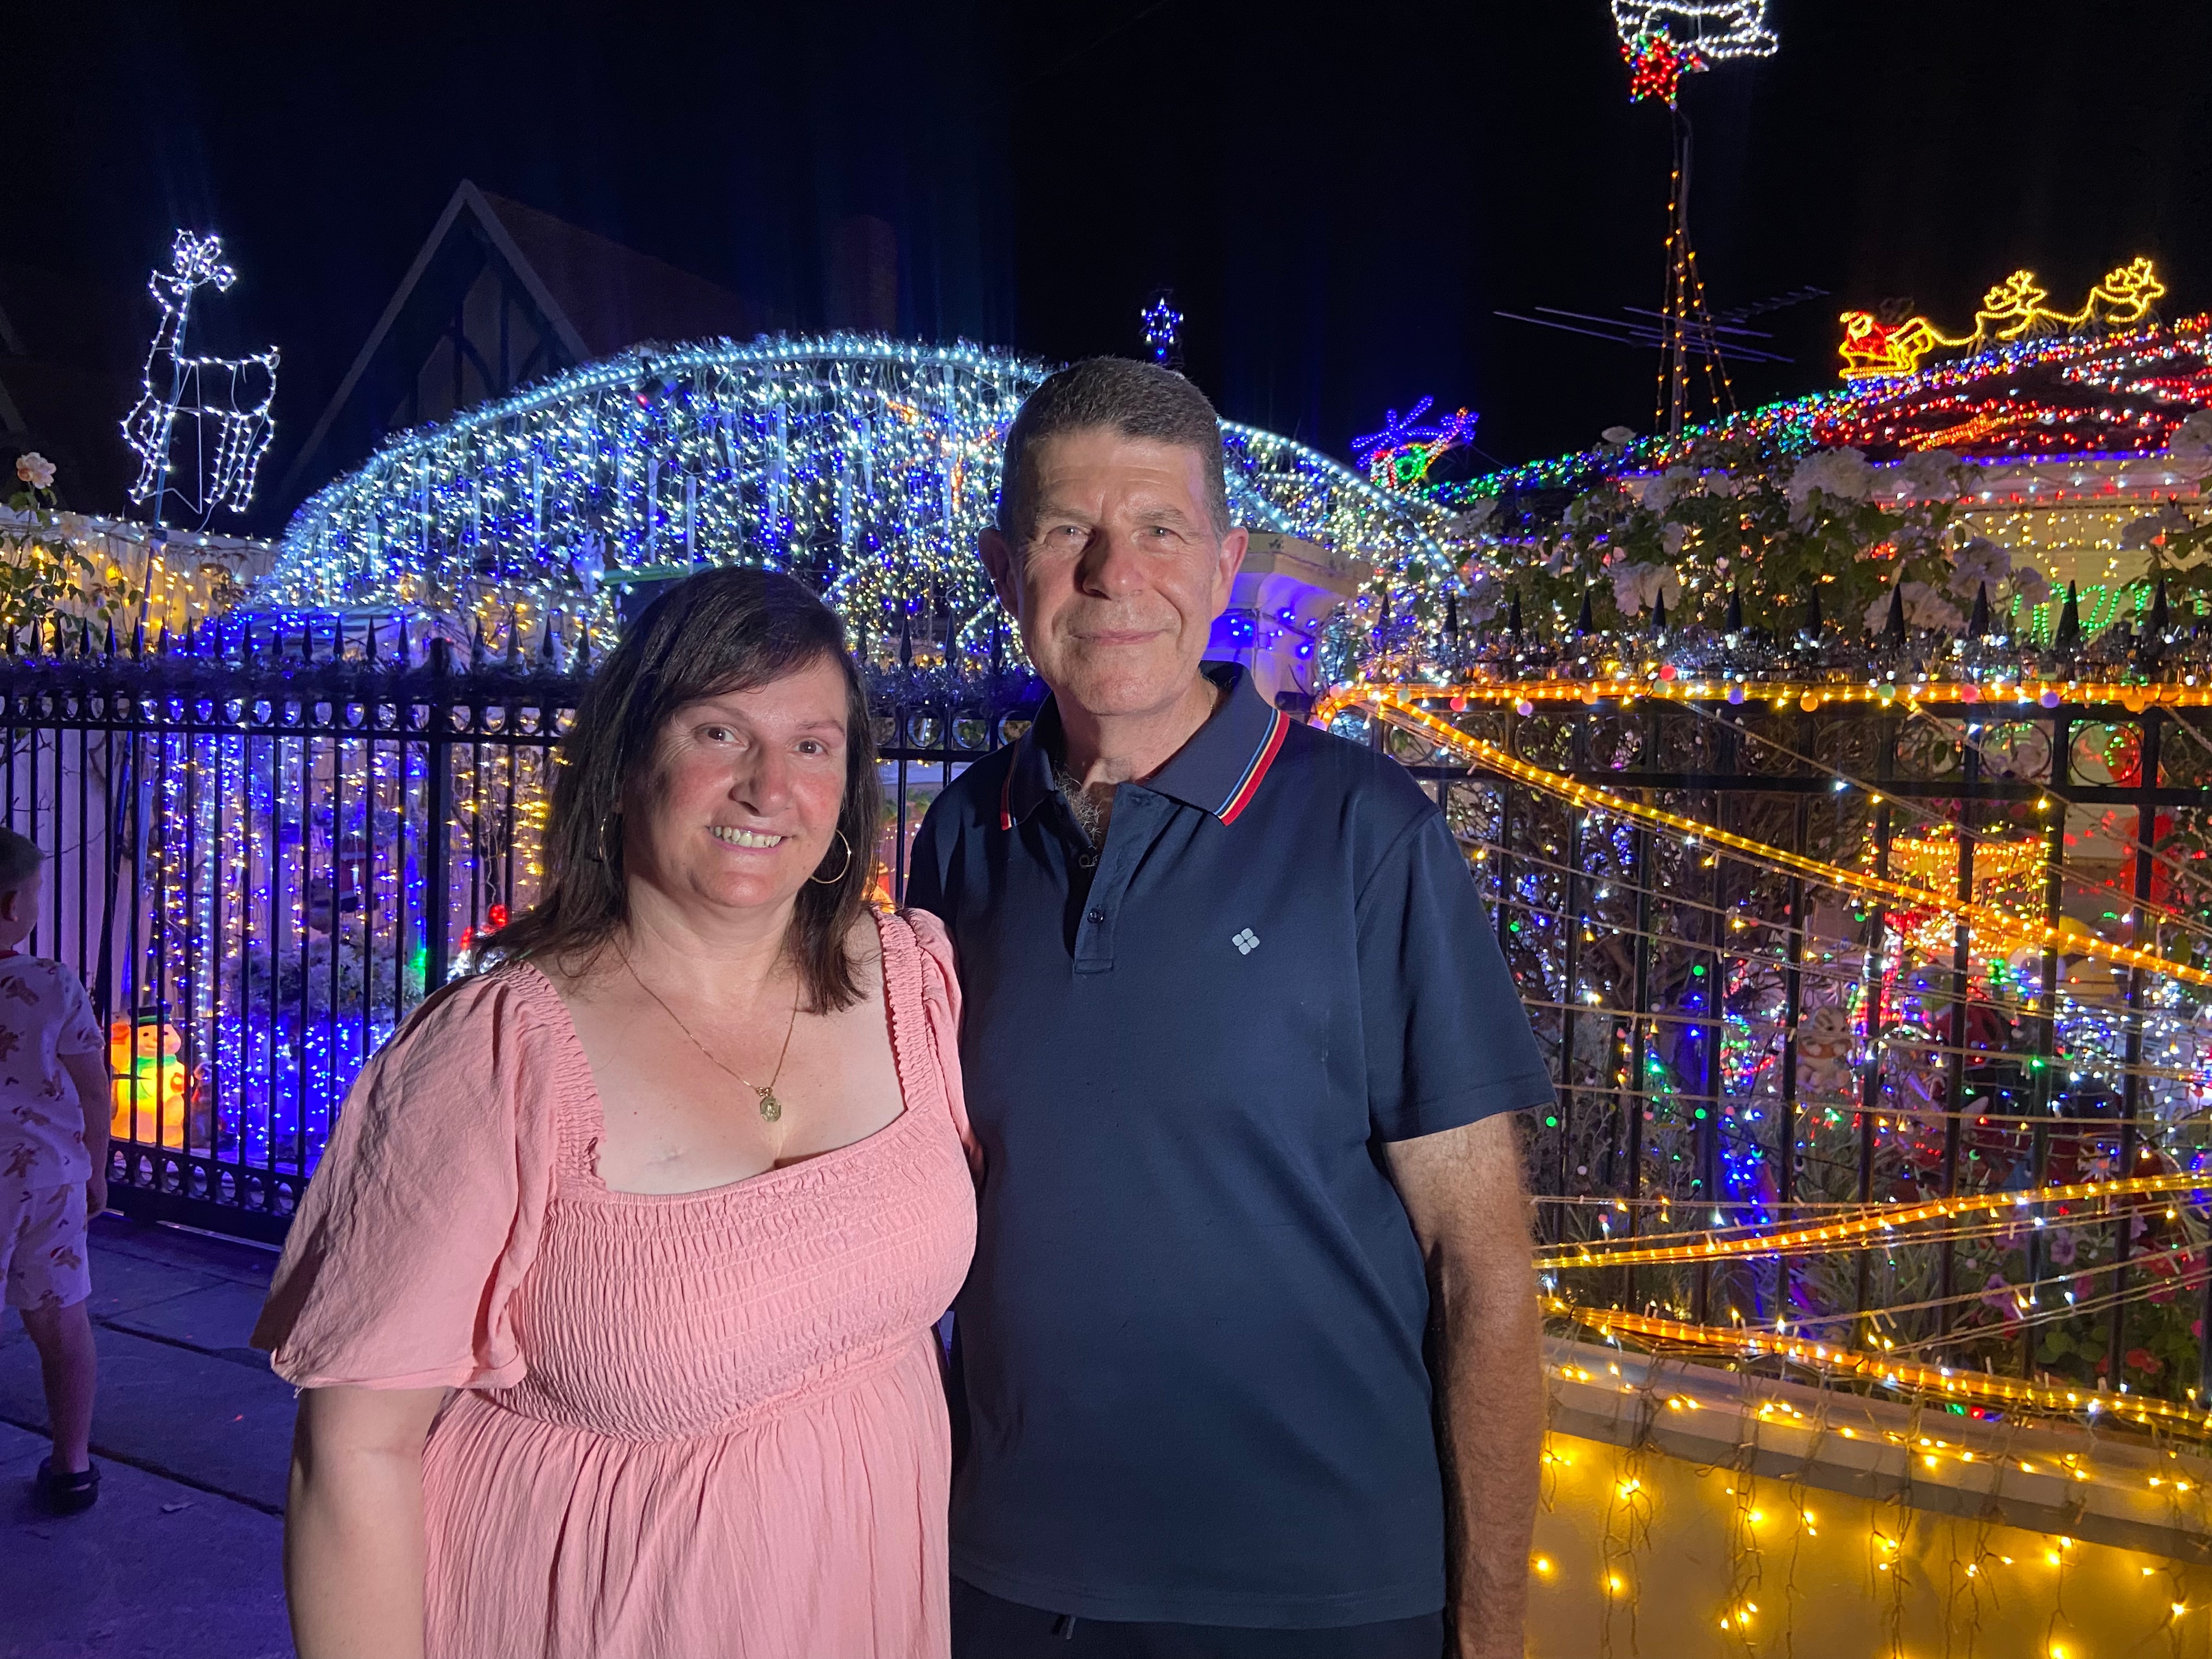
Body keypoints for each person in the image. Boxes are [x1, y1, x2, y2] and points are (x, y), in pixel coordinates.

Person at [906, 358, 1552, 1659]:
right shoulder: (961, 838)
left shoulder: (1367, 835)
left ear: (1222, 562)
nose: (1112, 574)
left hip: (1316, 1599)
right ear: (1002, 564)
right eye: (1065, 531)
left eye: (1160, 528)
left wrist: (1487, 1632)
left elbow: (1481, 1264)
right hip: (1003, 1584)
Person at [253, 568, 977, 1659]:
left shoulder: (912, 980)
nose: (767, 786)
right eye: (720, 732)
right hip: (597, 1613)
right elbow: (353, 1455)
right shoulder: (497, 1052)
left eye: (813, 745)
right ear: (631, 762)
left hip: (860, 1592)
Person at [0, 826, 114, 1516]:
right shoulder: (50, 982)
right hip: (44, 1175)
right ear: (14, 904)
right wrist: (96, 1168)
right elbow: (94, 1085)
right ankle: (72, 1465)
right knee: (60, 1321)